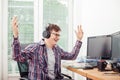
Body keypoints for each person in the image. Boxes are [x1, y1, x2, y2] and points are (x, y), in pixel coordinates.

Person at [11, 16, 83, 80]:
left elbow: (72, 56)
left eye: (59, 35)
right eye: (56, 35)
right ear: (47, 34)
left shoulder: (57, 49)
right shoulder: (35, 48)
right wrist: (15, 36)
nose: (58, 38)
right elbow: (17, 57)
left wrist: (79, 40)